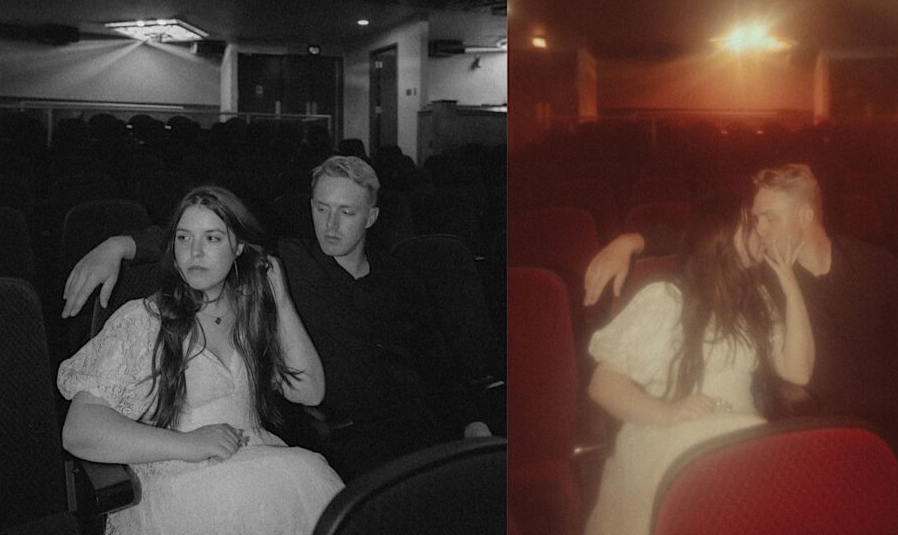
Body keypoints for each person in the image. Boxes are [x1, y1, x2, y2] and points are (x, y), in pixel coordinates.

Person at [62, 156, 488, 480]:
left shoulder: (402, 280)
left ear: (372, 217)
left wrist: (471, 420)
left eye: (347, 212)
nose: (331, 225)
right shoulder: (289, 261)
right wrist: (120, 244)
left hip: (416, 424)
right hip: (341, 436)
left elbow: (437, 362)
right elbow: (206, 239)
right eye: (321, 209)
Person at [584, 163, 898, 526]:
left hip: (887, 429)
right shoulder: (756, 278)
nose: (759, 230)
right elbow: (706, 236)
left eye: (769, 218)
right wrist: (630, 241)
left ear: (805, 215)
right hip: (806, 430)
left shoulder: (879, 265)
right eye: (754, 221)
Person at [58, 186, 343, 535]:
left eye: (212, 238)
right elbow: (78, 431)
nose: (195, 251)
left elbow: (309, 391)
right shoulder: (145, 319)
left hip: (257, 465)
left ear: (238, 247)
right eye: (183, 237)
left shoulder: (251, 310)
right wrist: (189, 444)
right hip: (178, 480)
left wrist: (281, 299)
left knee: (307, 476)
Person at [585, 190, 813, 535]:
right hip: (667, 433)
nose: (763, 232)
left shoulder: (757, 300)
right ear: (722, 235)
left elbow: (798, 370)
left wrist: (789, 283)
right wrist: (668, 413)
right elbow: (602, 384)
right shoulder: (667, 299)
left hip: (741, 440)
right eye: (752, 224)